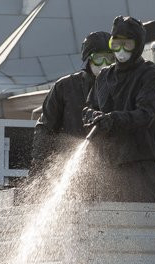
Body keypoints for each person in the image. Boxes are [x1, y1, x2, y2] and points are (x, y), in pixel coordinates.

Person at [81, 15, 155, 202]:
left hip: (140, 161)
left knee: (141, 216)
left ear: (138, 46)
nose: (121, 51)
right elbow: (88, 108)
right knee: (110, 220)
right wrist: (94, 117)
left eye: (127, 45)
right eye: (116, 44)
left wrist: (113, 119)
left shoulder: (151, 75)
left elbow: (146, 114)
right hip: (109, 162)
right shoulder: (105, 76)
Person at [32, 31, 112, 170]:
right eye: (99, 58)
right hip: (68, 162)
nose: (104, 64)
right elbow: (45, 128)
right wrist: (39, 166)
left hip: (108, 164)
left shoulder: (121, 89)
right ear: (88, 59)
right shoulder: (65, 87)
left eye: (109, 58)